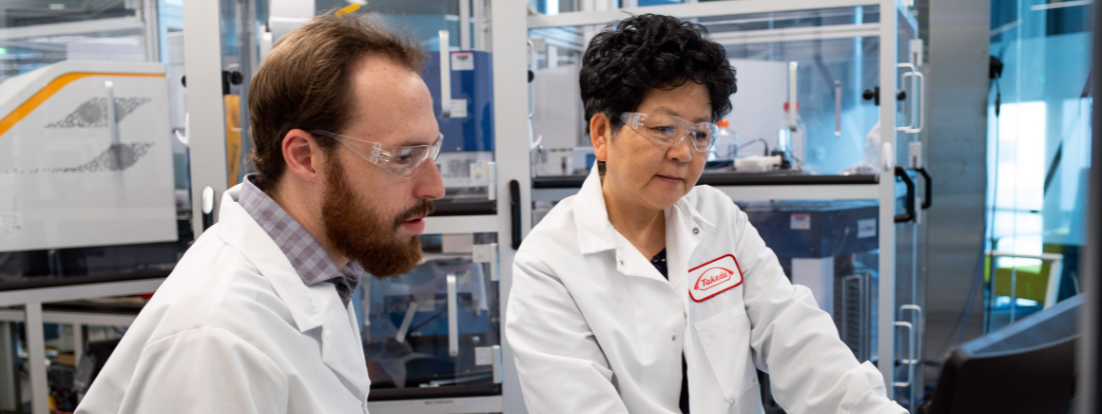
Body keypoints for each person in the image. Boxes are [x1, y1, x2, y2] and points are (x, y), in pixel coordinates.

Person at [506, 14, 907, 414]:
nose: (683, 152)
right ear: (600, 134)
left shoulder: (718, 217)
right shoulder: (548, 264)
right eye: (663, 128)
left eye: (699, 134)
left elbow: (797, 338)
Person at [76, 12, 444, 414]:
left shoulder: (319, 275)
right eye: (404, 156)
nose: (434, 187)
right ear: (304, 156)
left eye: (431, 150)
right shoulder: (218, 337)